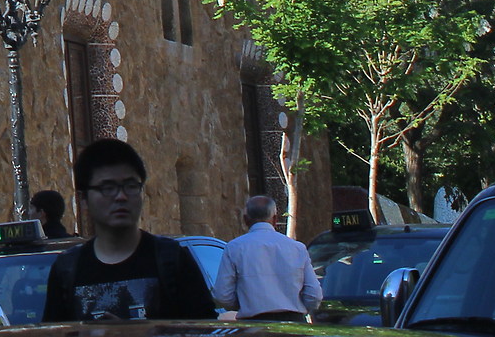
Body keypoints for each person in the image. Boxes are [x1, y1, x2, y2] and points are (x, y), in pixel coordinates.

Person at [41, 138, 220, 322]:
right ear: (83, 199)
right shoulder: (67, 269)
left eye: (131, 186)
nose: (121, 196)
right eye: (107, 188)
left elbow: (205, 329)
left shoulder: (172, 259)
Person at [212, 195, 322, 321]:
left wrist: (244, 305)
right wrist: (299, 311)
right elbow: (314, 294)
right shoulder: (297, 248)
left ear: (245, 220)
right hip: (293, 323)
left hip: (254, 325)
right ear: (275, 219)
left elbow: (222, 295)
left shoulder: (234, 248)